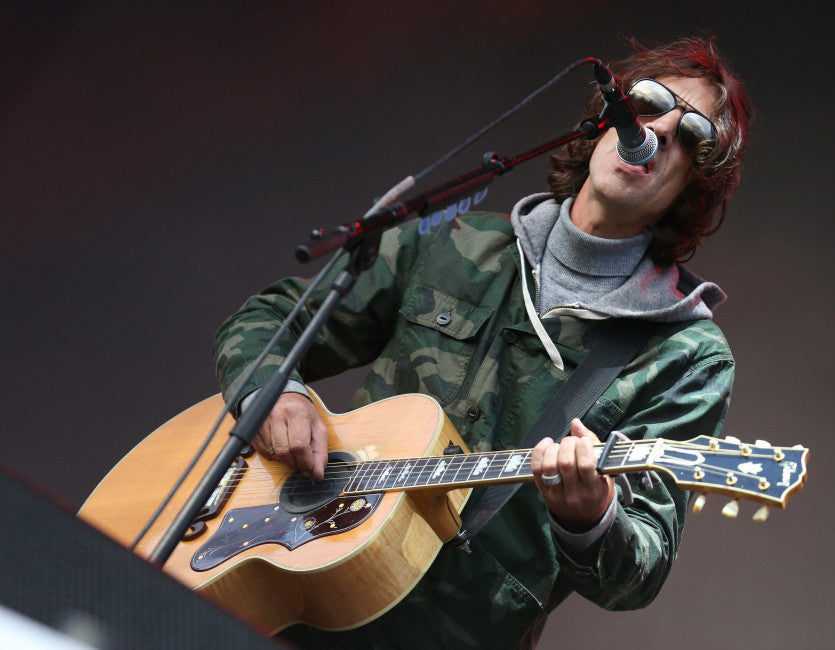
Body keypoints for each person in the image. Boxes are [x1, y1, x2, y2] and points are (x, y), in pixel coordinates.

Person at [213, 35, 753, 649]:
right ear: (606, 119)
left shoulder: (686, 356)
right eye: (650, 103)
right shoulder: (455, 243)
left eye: (693, 136)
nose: (657, 132)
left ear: (695, 188)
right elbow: (273, 316)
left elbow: (640, 572)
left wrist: (592, 516)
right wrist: (276, 393)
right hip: (288, 589)